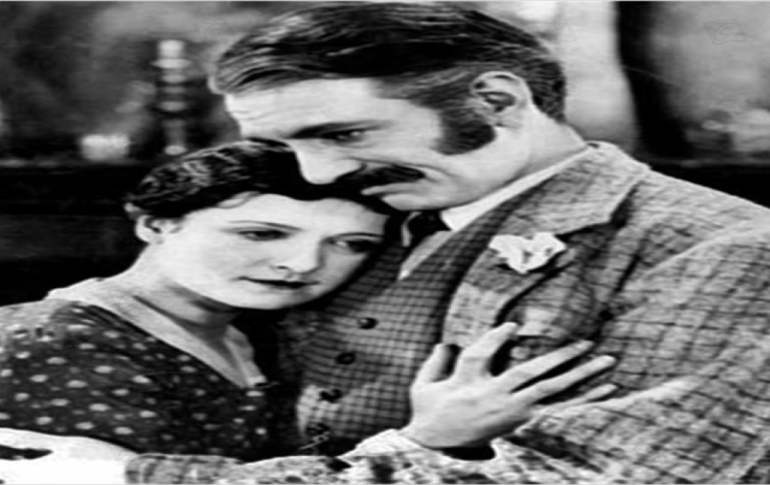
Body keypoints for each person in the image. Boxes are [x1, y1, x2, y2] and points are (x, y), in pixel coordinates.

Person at [4, 1, 770, 483]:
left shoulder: (716, 246)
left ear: (496, 100)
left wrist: (143, 476)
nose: (316, 173)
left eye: (342, 133)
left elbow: (605, 478)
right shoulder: (370, 213)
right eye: (285, 145)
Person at [0, 140, 616, 483]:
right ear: (157, 224)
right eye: (262, 233)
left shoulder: (261, 329)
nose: (302, 264)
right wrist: (425, 441)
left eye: (352, 245)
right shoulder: (54, 343)